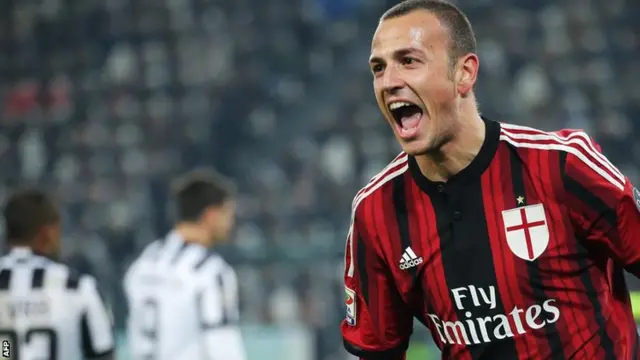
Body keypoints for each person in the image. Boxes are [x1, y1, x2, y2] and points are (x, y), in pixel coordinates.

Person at [340, 0, 640, 359]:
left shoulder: (562, 165)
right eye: (378, 68)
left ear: (464, 73)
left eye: (409, 61)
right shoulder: (376, 213)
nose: (389, 82)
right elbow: (377, 350)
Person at [124, 169, 245, 360]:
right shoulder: (208, 270)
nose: (231, 222)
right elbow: (222, 344)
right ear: (211, 215)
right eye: (227, 213)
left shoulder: (144, 263)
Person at [0, 189, 115, 360]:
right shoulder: (79, 289)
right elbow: (104, 354)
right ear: (48, 232)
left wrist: (5, 352)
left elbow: (5, 349)